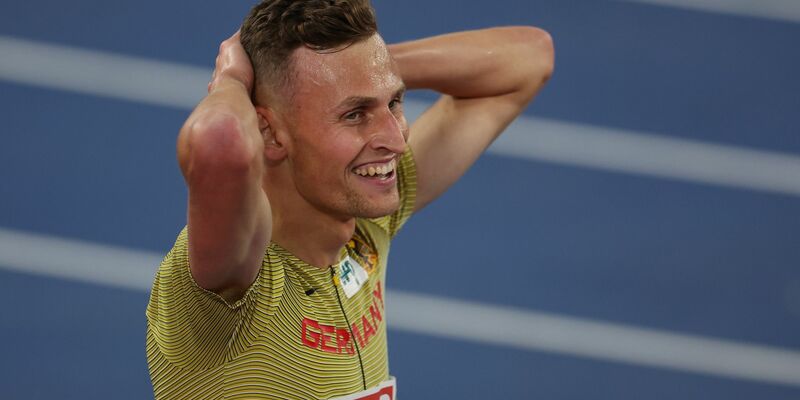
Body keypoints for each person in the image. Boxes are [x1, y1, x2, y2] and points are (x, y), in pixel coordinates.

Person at [145, 0, 553, 398]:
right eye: (355, 114)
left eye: (394, 102)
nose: (395, 139)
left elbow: (530, 58)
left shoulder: (365, 221)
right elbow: (219, 143)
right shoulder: (230, 291)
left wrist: (363, 70)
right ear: (267, 131)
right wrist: (234, 81)